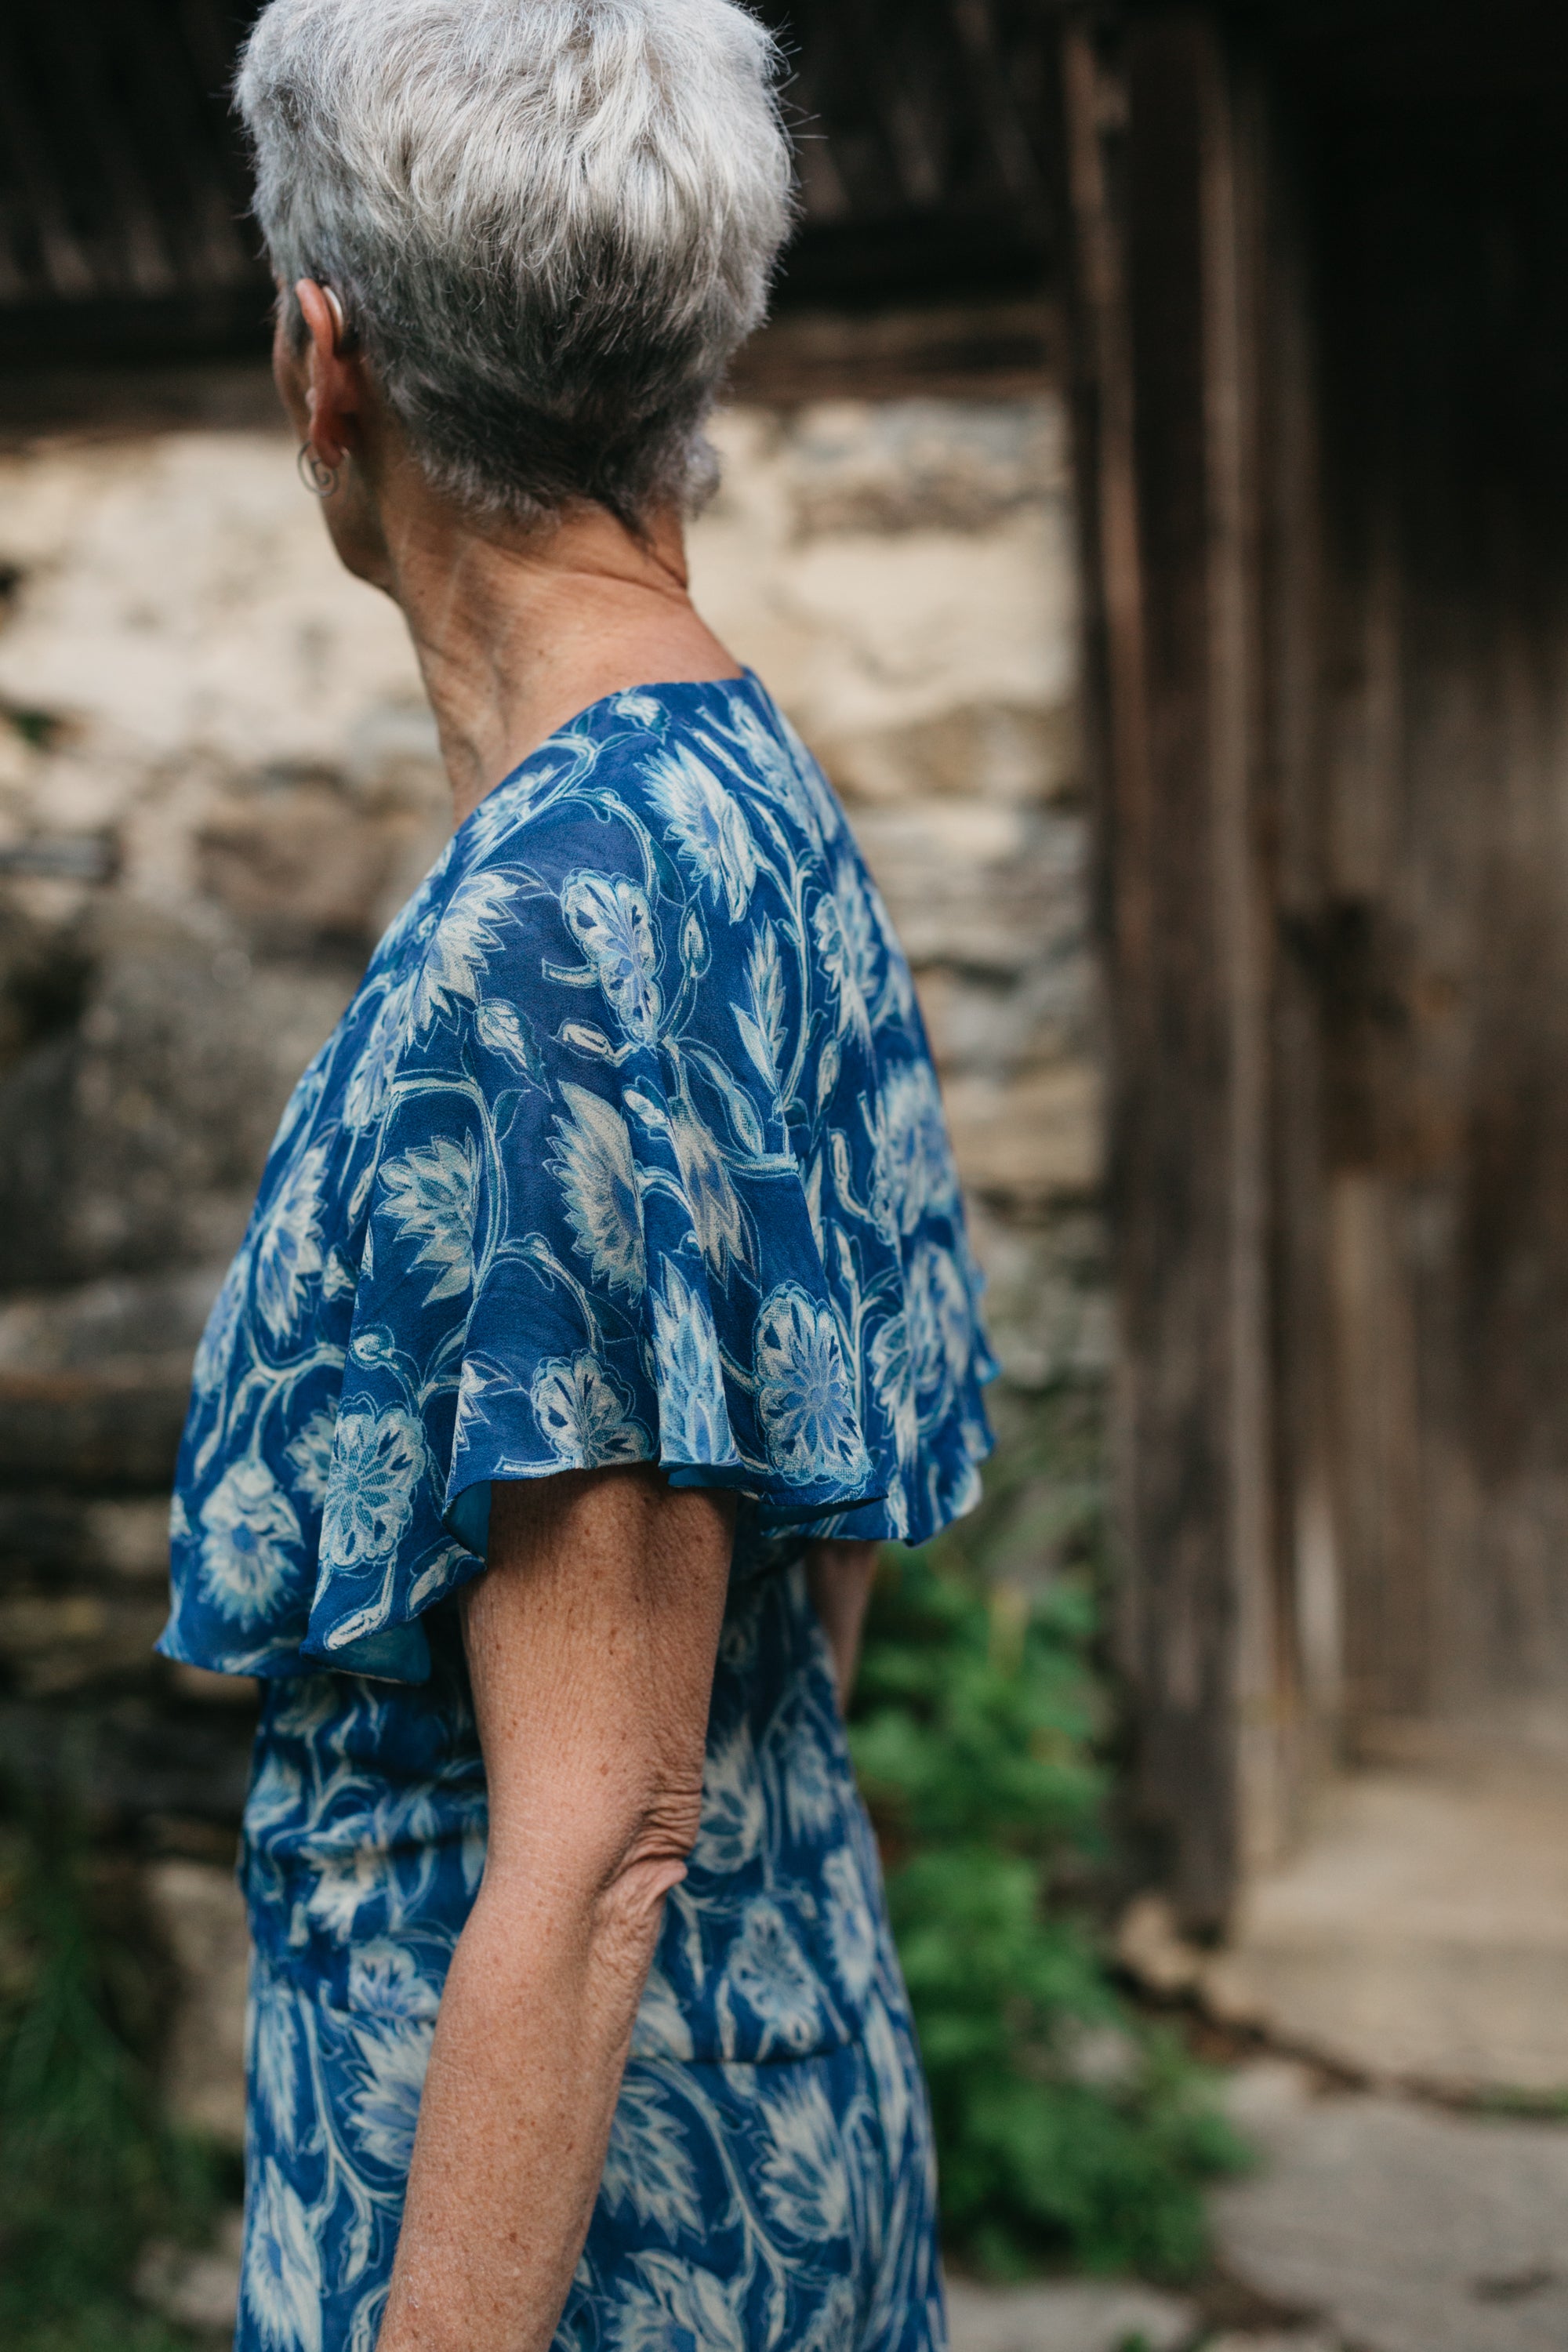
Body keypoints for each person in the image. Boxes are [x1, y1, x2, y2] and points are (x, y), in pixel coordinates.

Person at [158, 3, 996, 2346]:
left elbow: (607, 1836)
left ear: (329, 366)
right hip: (777, 2089)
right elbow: (808, 1590)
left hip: (579, 2253)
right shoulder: (749, 802)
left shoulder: (563, 927)